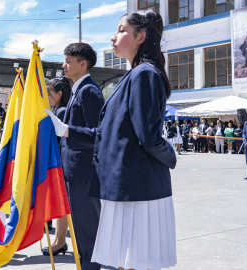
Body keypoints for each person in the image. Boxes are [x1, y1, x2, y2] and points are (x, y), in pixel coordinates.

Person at [47, 10, 177, 270]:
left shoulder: (145, 74)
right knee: (128, 262)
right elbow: (105, 135)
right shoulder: (133, 75)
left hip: (139, 191)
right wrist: (63, 129)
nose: (113, 36)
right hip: (128, 189)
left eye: (121, 30)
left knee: (135, 262)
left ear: (141, 37)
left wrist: (170, 155)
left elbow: (149, 138)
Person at [44, 42, 105, 270]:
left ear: (83, 64)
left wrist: (66, 130)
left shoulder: (89, 90)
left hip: (83, 173)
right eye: (65, 60)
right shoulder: (79, 89)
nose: (64, 65)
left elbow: (99, 134)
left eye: (69, 61)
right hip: (74, 172)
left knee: (87, 230)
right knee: (79, 230)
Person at [42, 77, 71, 256]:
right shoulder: (58, 109)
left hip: (59, 162)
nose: (48, 97)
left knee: (62, 204)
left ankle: (60, 241)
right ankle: (58, 240)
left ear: (59, 94)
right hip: (60, 161)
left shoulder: (60, 111)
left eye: (50, 94)